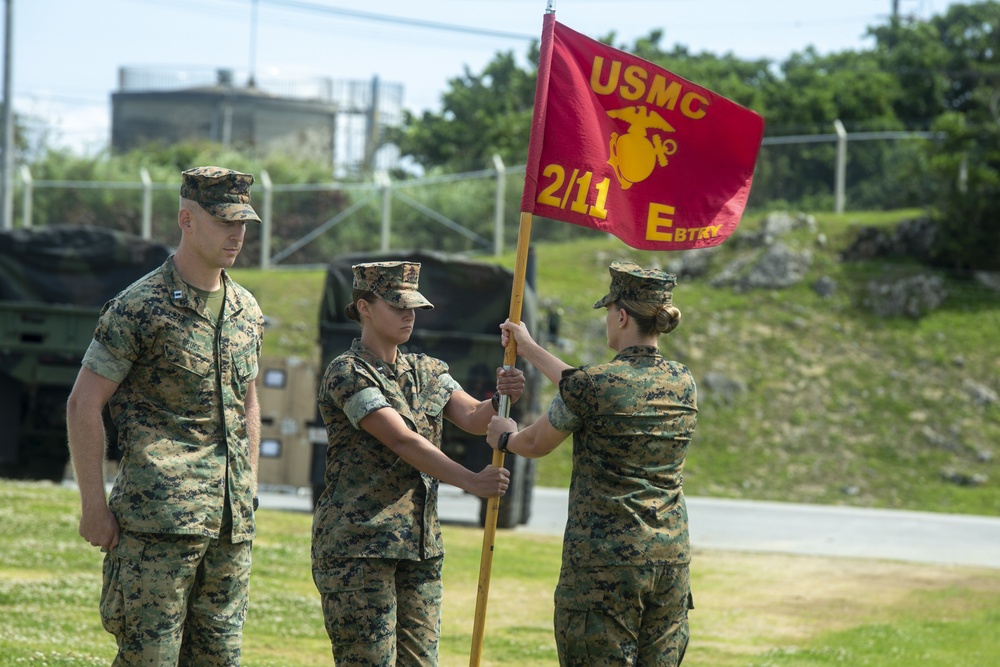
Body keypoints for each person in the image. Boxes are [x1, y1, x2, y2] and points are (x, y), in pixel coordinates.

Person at [66, 166, 265, 666]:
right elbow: (84, 404)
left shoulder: (246, 309)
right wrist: (93, 505)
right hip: (158, 523)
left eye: (243, 223)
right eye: (224, 221)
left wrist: (248, 487)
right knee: (149, 659)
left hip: (228, 526)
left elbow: (249, 402)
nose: (236, 234)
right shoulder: (140, 306)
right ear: (187, 220)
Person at [311, 260, 524, 666]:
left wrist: (501, 397)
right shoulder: (348, 372)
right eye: (397, 306)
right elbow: (400, 439)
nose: (408, 316)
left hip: (420, 548)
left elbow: (474, 418)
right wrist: (471, 481)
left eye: (414, 308)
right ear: (364, 308)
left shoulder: (427, 370)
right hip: (360, 548)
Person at [487, 261, 698, 666]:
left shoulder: (595, 385)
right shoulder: (683, 382)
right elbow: (587, 385)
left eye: (608, 312)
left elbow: (536, 442)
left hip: (605, 567)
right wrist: (530, 349)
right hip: (670, 561)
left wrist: (505, 436)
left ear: (620, 316)